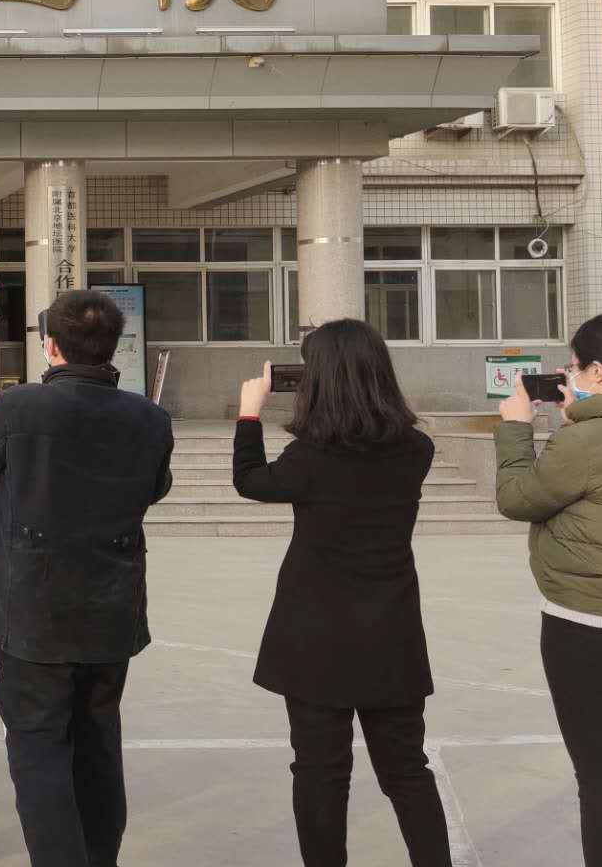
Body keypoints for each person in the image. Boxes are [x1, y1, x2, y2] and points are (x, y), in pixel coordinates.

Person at [0, 289, 173, 867]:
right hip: (111, 605)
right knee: (99, 746)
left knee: (39, 749)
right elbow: (155, 488)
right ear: (112, 346)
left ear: (51, 347)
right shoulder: (149, 417)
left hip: (32, 611)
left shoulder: (22, 406)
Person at [231, 322, 451, 867]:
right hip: (391, 632)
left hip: (314, 636)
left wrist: (249, 415)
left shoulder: (308, 459)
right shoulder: (416, 450)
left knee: (320, 773)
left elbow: (250, 480)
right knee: (406, 770)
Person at [495, 311, 602, 867]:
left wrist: (516, 429)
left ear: (597, 371)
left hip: (589, 629)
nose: (568, 376)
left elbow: (518, 498)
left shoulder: (584, 441)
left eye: (573, 367)